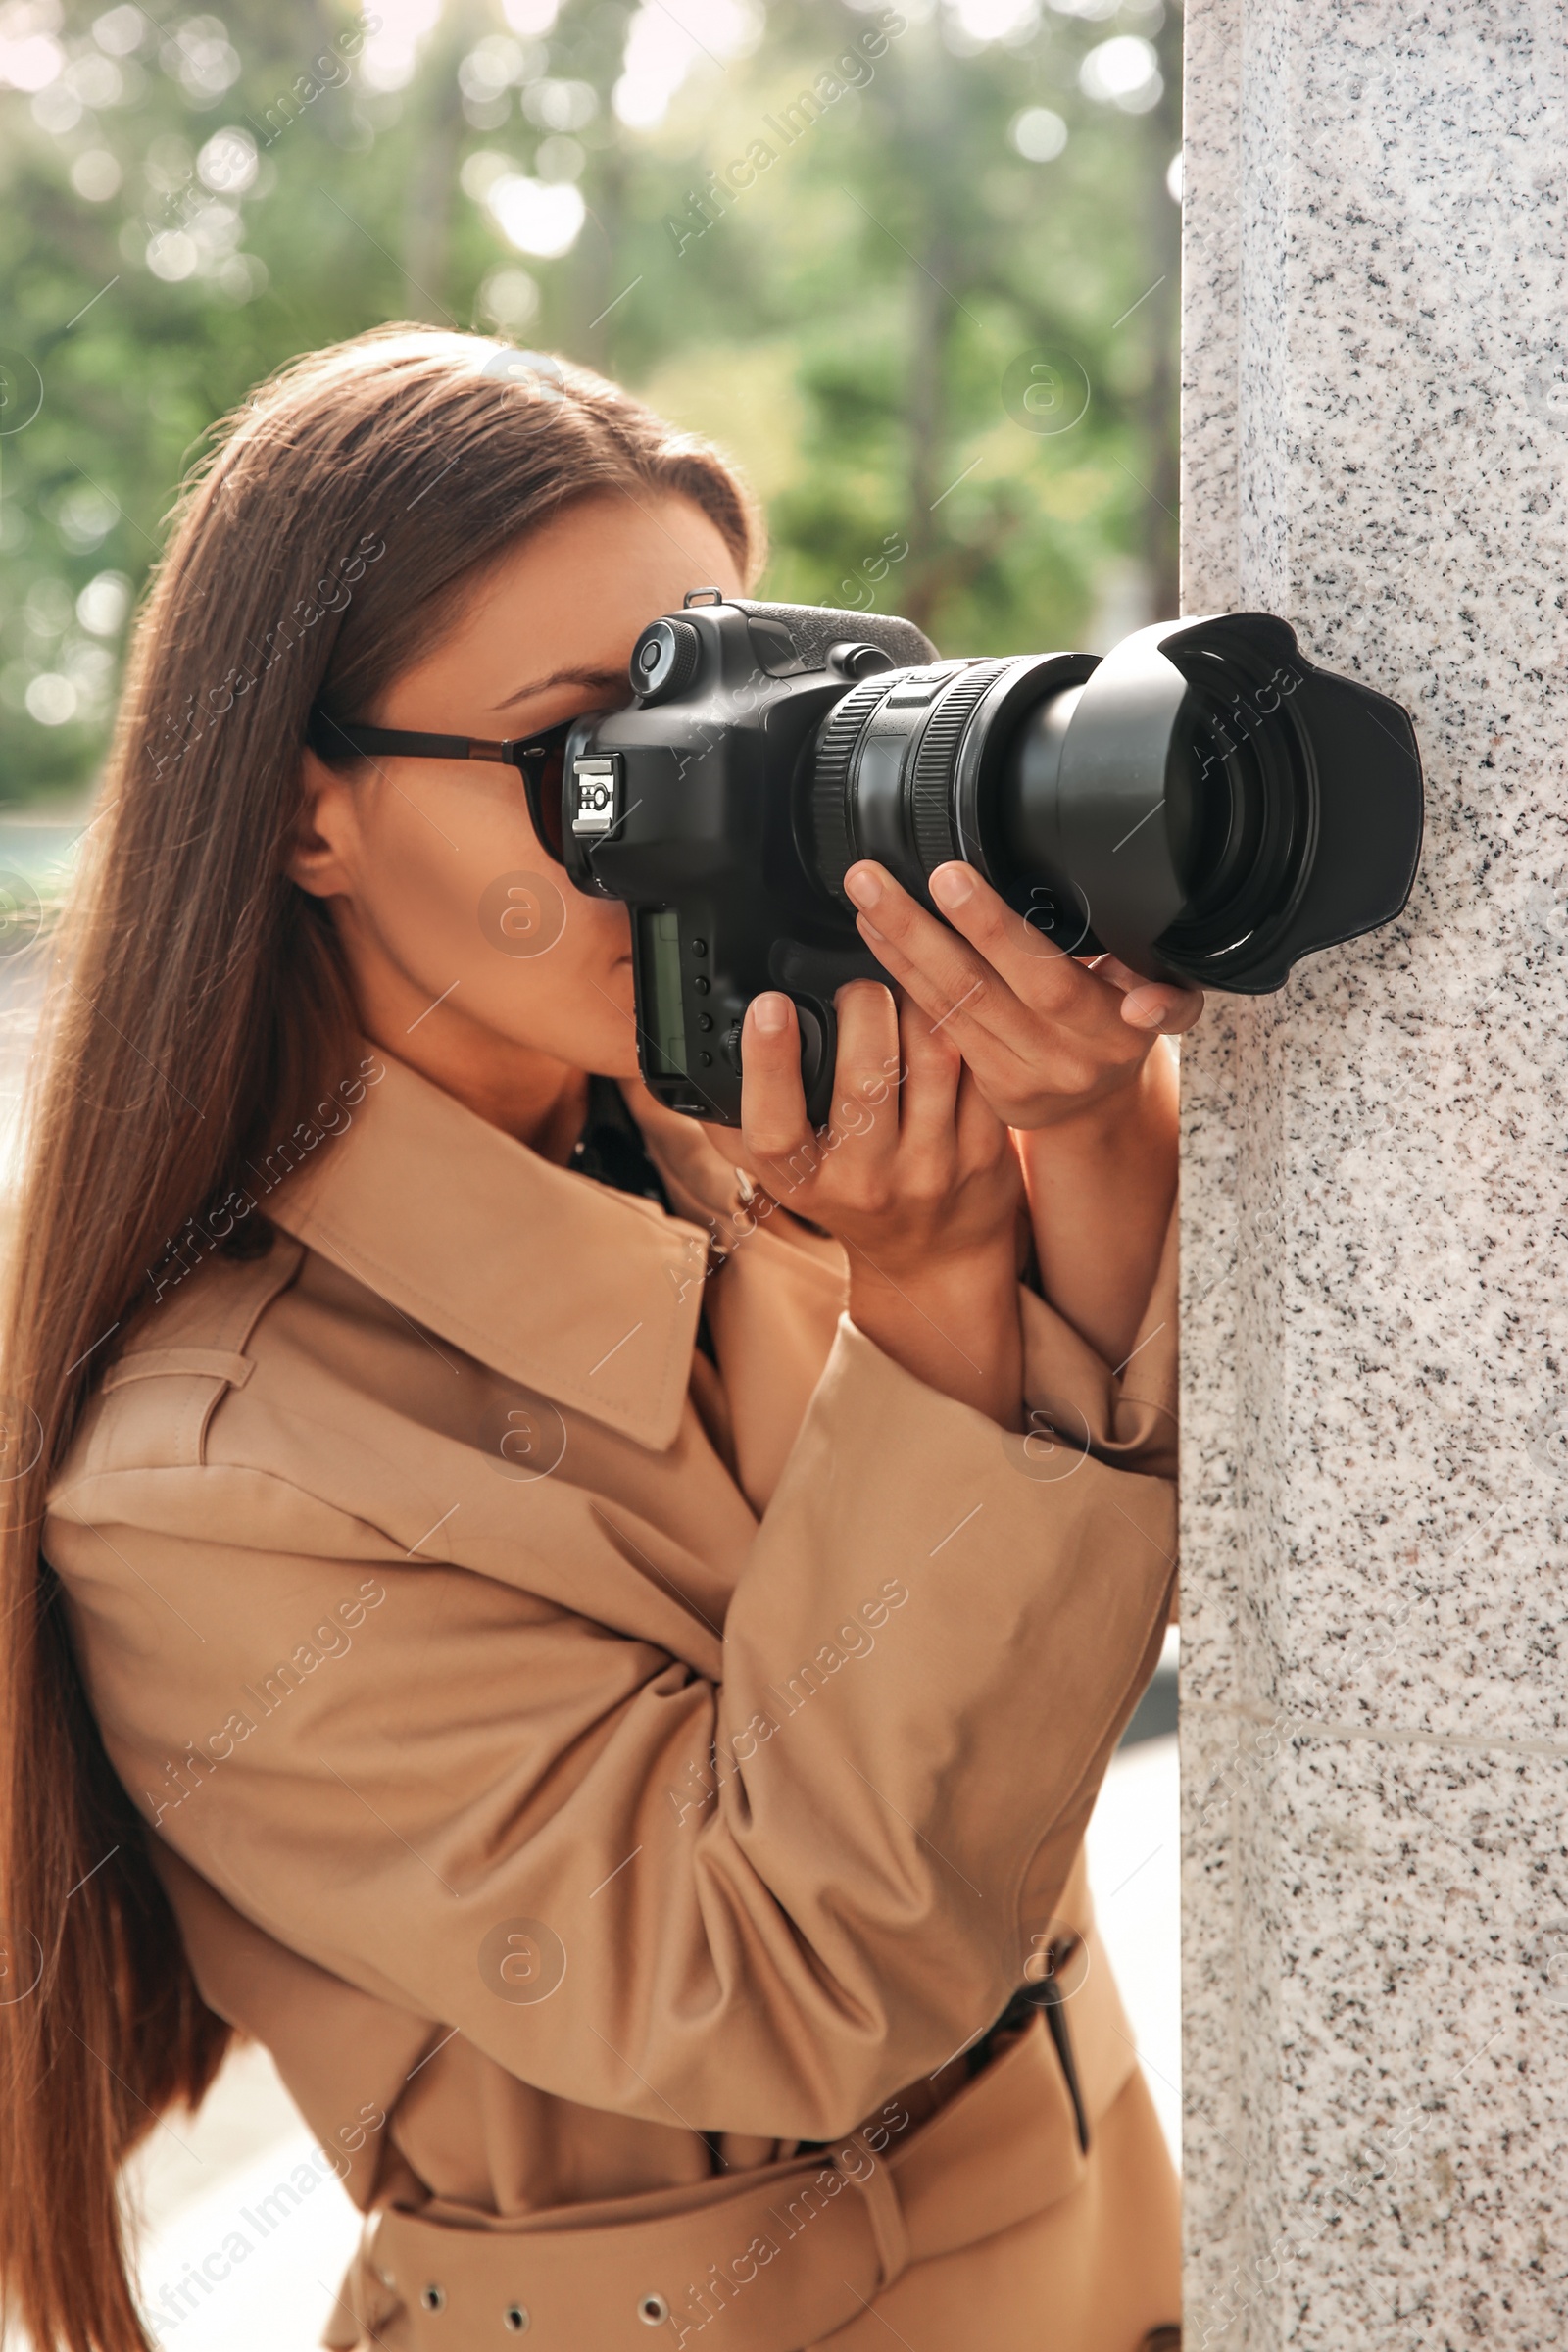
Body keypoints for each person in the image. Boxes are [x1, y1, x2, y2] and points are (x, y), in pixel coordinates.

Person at [0, 326, 1199, 2352]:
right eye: (587, 759)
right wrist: (924, 1303)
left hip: (1116, 2261)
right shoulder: (205, 1489)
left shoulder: (767, 1142)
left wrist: (1084, 1120)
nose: (680, 833)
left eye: (733, 733)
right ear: (309, 817)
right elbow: (786, 1979)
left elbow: (1209, 1549)